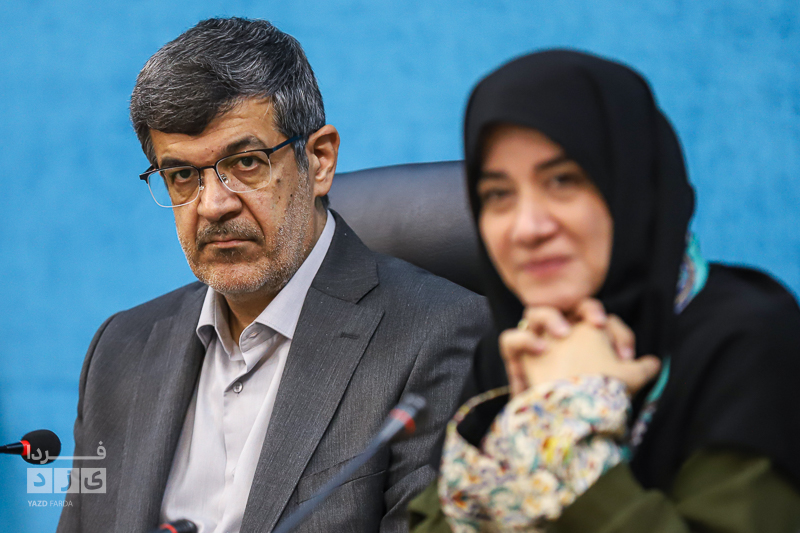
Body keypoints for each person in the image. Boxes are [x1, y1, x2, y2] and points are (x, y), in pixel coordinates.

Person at [57, 17, 489, 533]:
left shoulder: (441, 336)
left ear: (319, 160)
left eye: (246, 163)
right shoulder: (119, 349)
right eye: (183, 175)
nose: (213, 205)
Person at [408, 50, 800, 532]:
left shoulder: (748, 340)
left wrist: (567, 420)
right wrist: (515, 420)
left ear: (632, 187)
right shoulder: (515, 349)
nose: (528, 227)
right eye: (498, 195)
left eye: (562, 181)